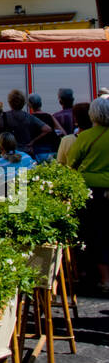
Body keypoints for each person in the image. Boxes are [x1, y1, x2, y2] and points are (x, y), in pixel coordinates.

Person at [68, 97, 109, 291]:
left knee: (92, 233)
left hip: (90, 192)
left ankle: (92, 275)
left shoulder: (85, 137)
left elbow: (71, 163)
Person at [0, 89, 54, 156]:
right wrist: (33, 141)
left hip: (10, 153)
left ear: (10, 102)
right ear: (23, 102)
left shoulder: (4, 116)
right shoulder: (29, 117)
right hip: (26, 152)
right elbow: (47, 129)